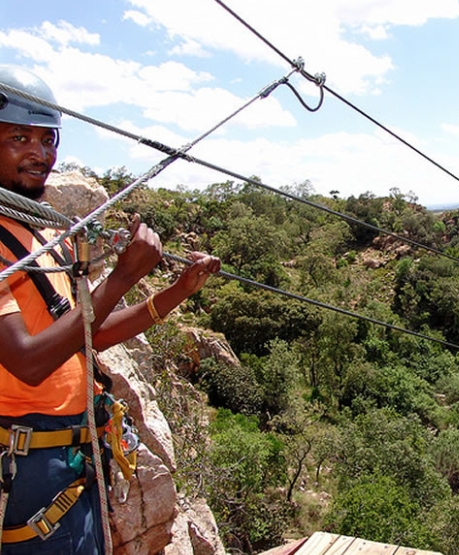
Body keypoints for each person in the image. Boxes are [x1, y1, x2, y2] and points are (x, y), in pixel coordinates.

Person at [0, 65, 221, 554]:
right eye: (19, 137)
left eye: (47, 139)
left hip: (69, 452)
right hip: (28, 458)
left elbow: (85, 337)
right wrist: (123, 276)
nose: (40, 154)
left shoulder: (35, 232)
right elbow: (30, 362)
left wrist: (176, 292)